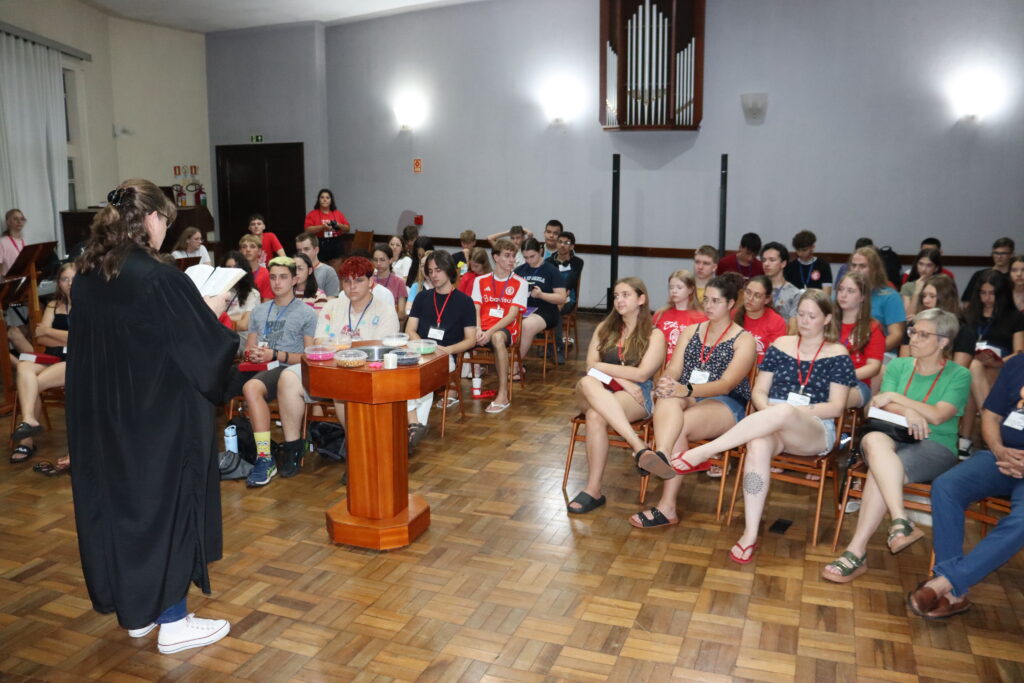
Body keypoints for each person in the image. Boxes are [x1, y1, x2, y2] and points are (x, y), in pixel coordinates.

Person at [67, 178, 237, 654]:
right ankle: (174, 620)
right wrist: (213, 310)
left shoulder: (88, 275)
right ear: (148, 219)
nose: (166, 228)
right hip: (156, 420)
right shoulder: (159, 277)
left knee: (124, 513)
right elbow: (201, 353)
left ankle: (138, 614)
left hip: (105, 419)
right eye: (165, 218)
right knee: (165, 509)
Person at [644, 290, 857, 564]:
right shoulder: (781, 345)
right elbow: (759, 392)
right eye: (800, 314)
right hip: (771, 420)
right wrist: (771, 414)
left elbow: (837, 407)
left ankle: (703, 453)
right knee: (757, 445)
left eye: (812, 316)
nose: (804, 321)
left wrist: (785, 413)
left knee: (781, 412)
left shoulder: (838, 353)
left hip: (813, 428)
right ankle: (750, 533)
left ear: (827, 318)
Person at [824, 309, 970, 583]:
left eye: (923, 335)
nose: (913, 338)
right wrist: (910, 412)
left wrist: (899, 400)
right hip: (891, 436)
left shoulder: (959, 374)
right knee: (874, 441)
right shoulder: (900, 366)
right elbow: (878, 404)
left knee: (882, 470)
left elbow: (939, 415)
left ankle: (857, 552)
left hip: (935, 445)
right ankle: (900, 519)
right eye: (913, 331)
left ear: (943, 342)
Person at [907, 353, 1024, 619]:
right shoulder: (1018, 363)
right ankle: (954, 593)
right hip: (1001, 456)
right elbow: (991, 416)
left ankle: (944, 583)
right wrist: (998, 449)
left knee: (1022, 520)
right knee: (947, 485)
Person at [633, 276, 755, 526]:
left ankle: (667, 506)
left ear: (731, 303)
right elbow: (675, 368)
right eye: (706, 300)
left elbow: (727, 384)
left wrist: (684, 389)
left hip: (725, 402)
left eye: (716, 301)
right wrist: (667, 382)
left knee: (680, 422)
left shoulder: (744, 339)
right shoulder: (692, 331)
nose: (709, 305)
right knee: (667, 402)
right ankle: (663, 454)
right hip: (687, 393)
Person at [274, 256, 400, 472]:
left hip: (365, 375)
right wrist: (348, 346)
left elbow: (378, 350)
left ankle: (357, 454)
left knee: (341, 387)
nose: (352, 287)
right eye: (347, 281)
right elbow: (319, 342)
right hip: (328, 369)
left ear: (371, 281)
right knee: (288, 378)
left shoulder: (385, 310)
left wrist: (342, 345)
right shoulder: (333, 306)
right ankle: (294, 447)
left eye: (359, 280)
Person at [568, 277, 666, 514]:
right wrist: (621, 379)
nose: (619, 300)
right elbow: (590, 366)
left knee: (594, 417)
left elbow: (642, 375)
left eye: (626, 295)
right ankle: (638, 445)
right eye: (616, 296)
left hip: (636, 395)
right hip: (600, 388)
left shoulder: (655, 335)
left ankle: (593, 490)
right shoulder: (605, 328)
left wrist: (605, 369)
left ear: (641, 299)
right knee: (586, 380)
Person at [241, 256, 318, 488]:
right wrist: (252, 354)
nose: (277, 283)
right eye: (273, 277)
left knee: (251, 388)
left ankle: (264, 458)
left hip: (288, 369)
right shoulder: (260, 310)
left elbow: (308, 356)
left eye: (283, 277)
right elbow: (249, 347)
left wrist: (275, 355)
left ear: (295, 280)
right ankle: (238, 449)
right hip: (261, 367)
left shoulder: (306, 313)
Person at [404, 251, 477, 448]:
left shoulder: (464, 302)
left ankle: (413, 426)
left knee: (425, 372)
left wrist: (446, 350)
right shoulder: (422, 297)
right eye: (430, 271)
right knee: (411, 370)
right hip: (420, 350)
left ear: (449, 270)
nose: (434, 275)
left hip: (447, 355)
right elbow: (409, 329)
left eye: (438, 270)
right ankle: (414, 425)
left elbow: (470, 340)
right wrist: (423, 346)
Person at [10, 263, 75, 469]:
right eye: (64, 279)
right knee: (24, 368)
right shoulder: (53, 305)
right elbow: (40, 335)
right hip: (51, 357)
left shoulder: (89, 306)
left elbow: (81, 340)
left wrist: (52, 333)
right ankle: (29, 420)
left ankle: (26, 440)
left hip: (74, 359)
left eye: (74, 278)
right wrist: (65, 337)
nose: (69, 283)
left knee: (30, 384)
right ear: (59, 283)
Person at [471, 238, 528, 414]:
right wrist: (479, 329)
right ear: (496, 257)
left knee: (496, 338)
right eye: (507, 256)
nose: (512, 260)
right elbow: (476, 307)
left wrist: (489, 332)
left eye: (513, 256)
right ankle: (451, 390)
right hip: (483, 329)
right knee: (456, 333)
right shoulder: (480, 281)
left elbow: (512, 316)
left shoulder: (521, 283)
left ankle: (502, 394)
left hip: (506, 330)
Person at [514, 237, 566, 378]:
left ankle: (514, 365)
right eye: (525, 257)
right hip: (523, 309)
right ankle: (513, 364)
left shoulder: (551, 270)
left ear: (540, 251)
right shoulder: (519, 270)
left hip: (546, 310)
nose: (529, 261)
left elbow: (561, 297)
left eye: (532, 256)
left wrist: (541, 295)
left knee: (526, 326)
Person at [835, 271, 884, 408]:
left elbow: (874, 367)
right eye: (841, 289)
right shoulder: (828, 322)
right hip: (824, 379)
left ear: (862, 297)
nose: (843, 295)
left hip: (857, 383)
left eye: (850, 291)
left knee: (831, 397)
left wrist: (844, 376)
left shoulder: (872, 328)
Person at [847, 246, 906, 351]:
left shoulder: (890, 297)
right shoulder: (843, 295)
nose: (856, 270)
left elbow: (896, 336)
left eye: (863, 266)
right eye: (854, 265)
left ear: (874, 269)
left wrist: (871, 353)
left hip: (880, 355)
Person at [546, 230, 585, 362]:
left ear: (572, 246)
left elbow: (571, 281)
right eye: (560, 242)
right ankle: (545, 343)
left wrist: (560, 292)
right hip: (551, 297)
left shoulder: (578, 262)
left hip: (569, 299)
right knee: (547, 306)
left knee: (555, 309)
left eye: (566, 243)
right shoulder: (548, 261)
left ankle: (558, 348)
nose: (562, 245)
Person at [652, 269, 706, 362]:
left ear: (690, 289)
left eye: (679, 287)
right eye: (671, 287)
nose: (674, 291)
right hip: (660, 364)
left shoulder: (702, 317)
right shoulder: (660, 314)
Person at [1, 208, 34, 355]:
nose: (19, 221)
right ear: (8, 222)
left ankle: (27, 353)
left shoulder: (23, 242)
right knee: (18, 315)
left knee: (29, 319)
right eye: (15, 219)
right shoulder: (3, 242)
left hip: (23, 288)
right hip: (10, 291)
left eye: (22, 219)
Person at [734, 275, 786, 364]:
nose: (750, 298)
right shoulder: (733, 315)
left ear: (767, 299)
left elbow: (773, 359)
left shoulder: (776, 321)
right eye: (748, 292)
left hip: (760, 371)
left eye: (757, 295)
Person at [220, 251, 259, 352]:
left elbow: (244, 325)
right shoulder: (220, 291)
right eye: (228, 268)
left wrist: (222, 319)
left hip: (242, 342)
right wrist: (238, 316)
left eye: (235, 267)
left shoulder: (252, 294)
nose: (232, 271)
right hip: (222, 338)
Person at [962, 237, 1015, 303]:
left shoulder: (1015, 277)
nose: (999, 257)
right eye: (996, 253)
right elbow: (967, 301)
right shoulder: (979, 275)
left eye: (1003, 253)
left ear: (1011, 255)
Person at [760, 242, 801, 320]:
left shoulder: (794, 293)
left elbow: (793, 327)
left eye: (772, 260)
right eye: (764, 260)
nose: (766, 264)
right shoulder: (757, 289)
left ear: (783, 263)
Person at [784, 230, 833, 295]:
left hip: (816, 303)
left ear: (812, 247)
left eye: (804, 250)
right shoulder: (790, 267)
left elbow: (826, 294)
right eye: (798, 250)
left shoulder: (823, 265)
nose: (800, 253)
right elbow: (787, 293)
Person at [295, 232, 341, 296]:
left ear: (316, 250)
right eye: (299, 250)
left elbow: (333, 300)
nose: (302, 253)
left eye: (306, 249)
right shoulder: (293, 270)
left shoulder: (328, 272)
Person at [900, 248, 942, 318]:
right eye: (920, 264)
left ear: (936, 268)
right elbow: (908, 317)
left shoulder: (942, 285)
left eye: (929, 265)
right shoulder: (908, 286)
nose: (923, 269)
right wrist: (916, 292)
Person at [372, 243, 409, 316]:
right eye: (375, 260)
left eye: (382, 260)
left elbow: (401, 313)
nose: (378, 263)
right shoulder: (369, 280)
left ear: (390, 260)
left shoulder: (399, 282)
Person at [240, 234, 272, 299]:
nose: (248, 250)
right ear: (240, 251)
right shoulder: (235, 272)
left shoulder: (265, 274)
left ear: (259, 251)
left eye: (252, 246)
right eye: (244, 247)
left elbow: (266, 304)